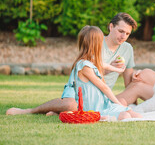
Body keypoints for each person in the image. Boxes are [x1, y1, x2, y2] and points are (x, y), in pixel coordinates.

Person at [6, 12, 137, 116]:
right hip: (79, 91)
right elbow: (88, 72)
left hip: (99, 96)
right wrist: (111, 69)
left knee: (121, 103)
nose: (124, 36)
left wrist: (133, 105)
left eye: (127, 33)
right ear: (111, 26)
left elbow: (127, 80)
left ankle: (59, 113)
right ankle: (30, 111)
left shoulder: (127, 48)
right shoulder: (95, 43)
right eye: (121, 31)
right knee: (72, 105)